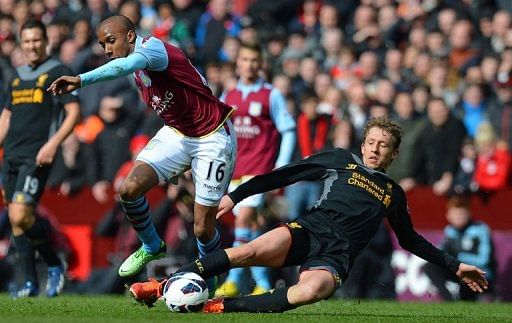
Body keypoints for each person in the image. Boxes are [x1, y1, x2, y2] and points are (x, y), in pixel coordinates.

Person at [129, 118, 488, 312]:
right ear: (363, 145)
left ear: (393, 154)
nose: (376, 148)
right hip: (310, 229)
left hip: (337, 256)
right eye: (372, 142)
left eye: (385, 145)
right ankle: (161, 286)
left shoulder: (393, 194)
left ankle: (218, 307)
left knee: (309, 292)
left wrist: (454, 266)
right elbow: (285, 175)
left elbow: (409, 239)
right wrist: (236, 196)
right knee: (245, 252)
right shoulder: (339, 160)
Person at [47, 15, 237, 292]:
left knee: (202, 228)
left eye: (111, 41)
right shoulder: (138, 71)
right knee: (129, 189)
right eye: (102, 44)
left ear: (131, 36)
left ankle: (210, 277)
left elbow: (125, 65)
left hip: (213, 135)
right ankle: (151, 245)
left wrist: (80, 79)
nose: (107, 49)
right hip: (178, 133)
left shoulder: (152, 49)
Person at [0, 19, 80, 298]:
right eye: (27, 41)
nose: (32, 45)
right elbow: (7, 116)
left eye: (37, 40)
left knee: (21, 213)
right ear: (21, 44)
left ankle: (54, 262)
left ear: (46, 41)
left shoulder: (58, 71)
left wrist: (53, 144)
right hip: (10, 155)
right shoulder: (16, 75)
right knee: (15, 218)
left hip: (37, 156)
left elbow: (73, 113)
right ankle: (29, 283)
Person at [215, 43, 296, 297]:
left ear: (260, 64)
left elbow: (288, 130)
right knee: (252, 227)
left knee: (244, 218)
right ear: (237, 63)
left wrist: (279, 168)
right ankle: (262, 283)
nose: (249, 64)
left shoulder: (271, 94)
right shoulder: (229, 96)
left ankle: (234, 279)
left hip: (259, 172)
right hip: (235, 171)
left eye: (254, 60)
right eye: (245, 59)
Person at [423, 195, 496, 301]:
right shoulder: (449, 231)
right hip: (460, 272)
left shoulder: (481, 230)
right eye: (455, 214)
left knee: (468, 283)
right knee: (430, 266)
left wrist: (458, 257)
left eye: (461, 214)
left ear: (468, 213)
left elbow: (484, 260)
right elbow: (442, 253)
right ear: (448, 215)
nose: (458, 217)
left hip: (478, 273)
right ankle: (449, 300)